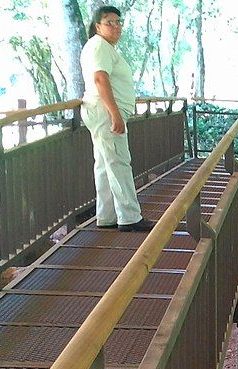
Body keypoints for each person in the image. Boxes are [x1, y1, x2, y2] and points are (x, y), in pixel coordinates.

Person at [80, 6, 153, 232]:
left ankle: (107, 215)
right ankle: (130, 217)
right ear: (97, 26)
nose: (116, 26)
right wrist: (115, 113)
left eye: (118, 22)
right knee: (119, 162)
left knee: (105, 164)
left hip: (101, 111)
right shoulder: (99, 45)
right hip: (105, 112)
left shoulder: (103, 47)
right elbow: (100, 79)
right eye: (109, 22)